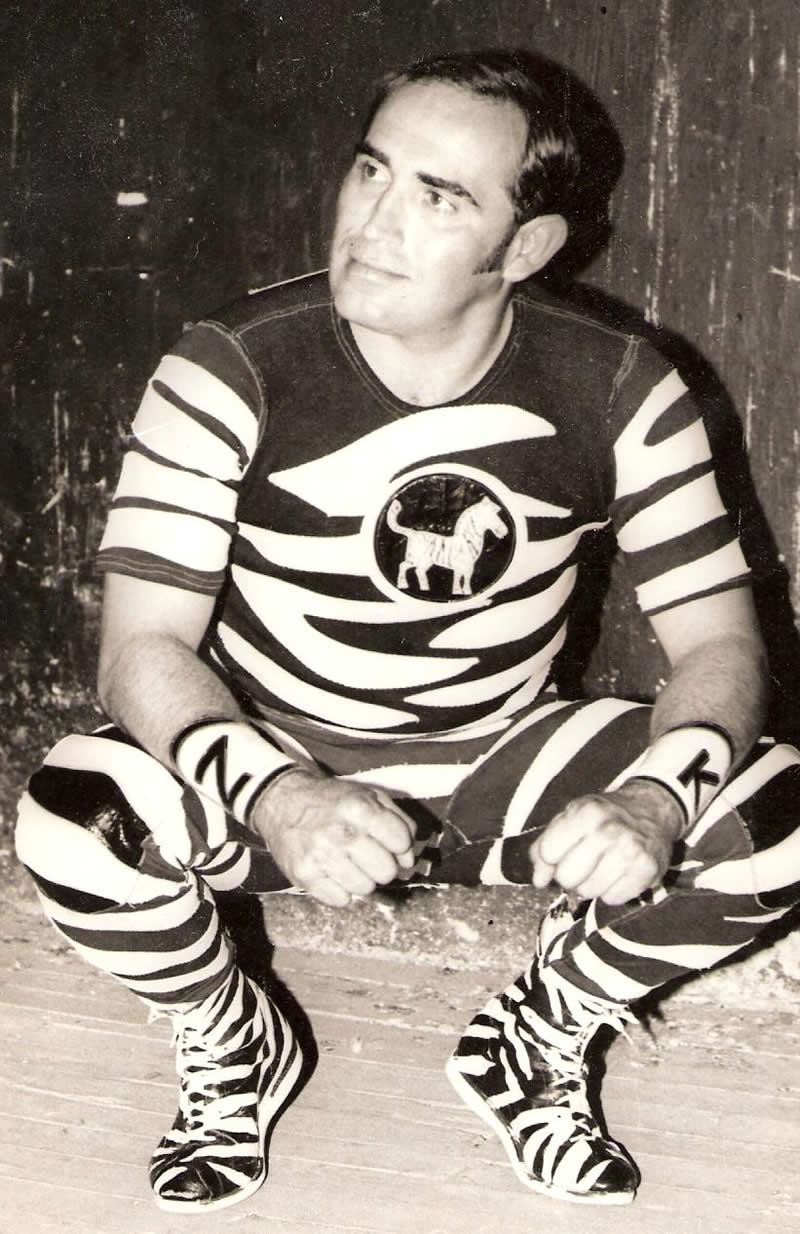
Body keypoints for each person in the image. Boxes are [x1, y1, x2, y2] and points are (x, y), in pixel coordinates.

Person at [14, 47, 800, 1213]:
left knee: (776, 812)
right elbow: (139, 651)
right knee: (73, 815)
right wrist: (281, 796)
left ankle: (536, 1034)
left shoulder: (621, 388)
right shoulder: (228, 367)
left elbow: (720, 648)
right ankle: (233, 1037)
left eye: (438, 198)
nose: (373, 222)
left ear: (524, 247)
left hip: (495, 762)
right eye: (371, 171)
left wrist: (649, 802)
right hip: (278, 765)